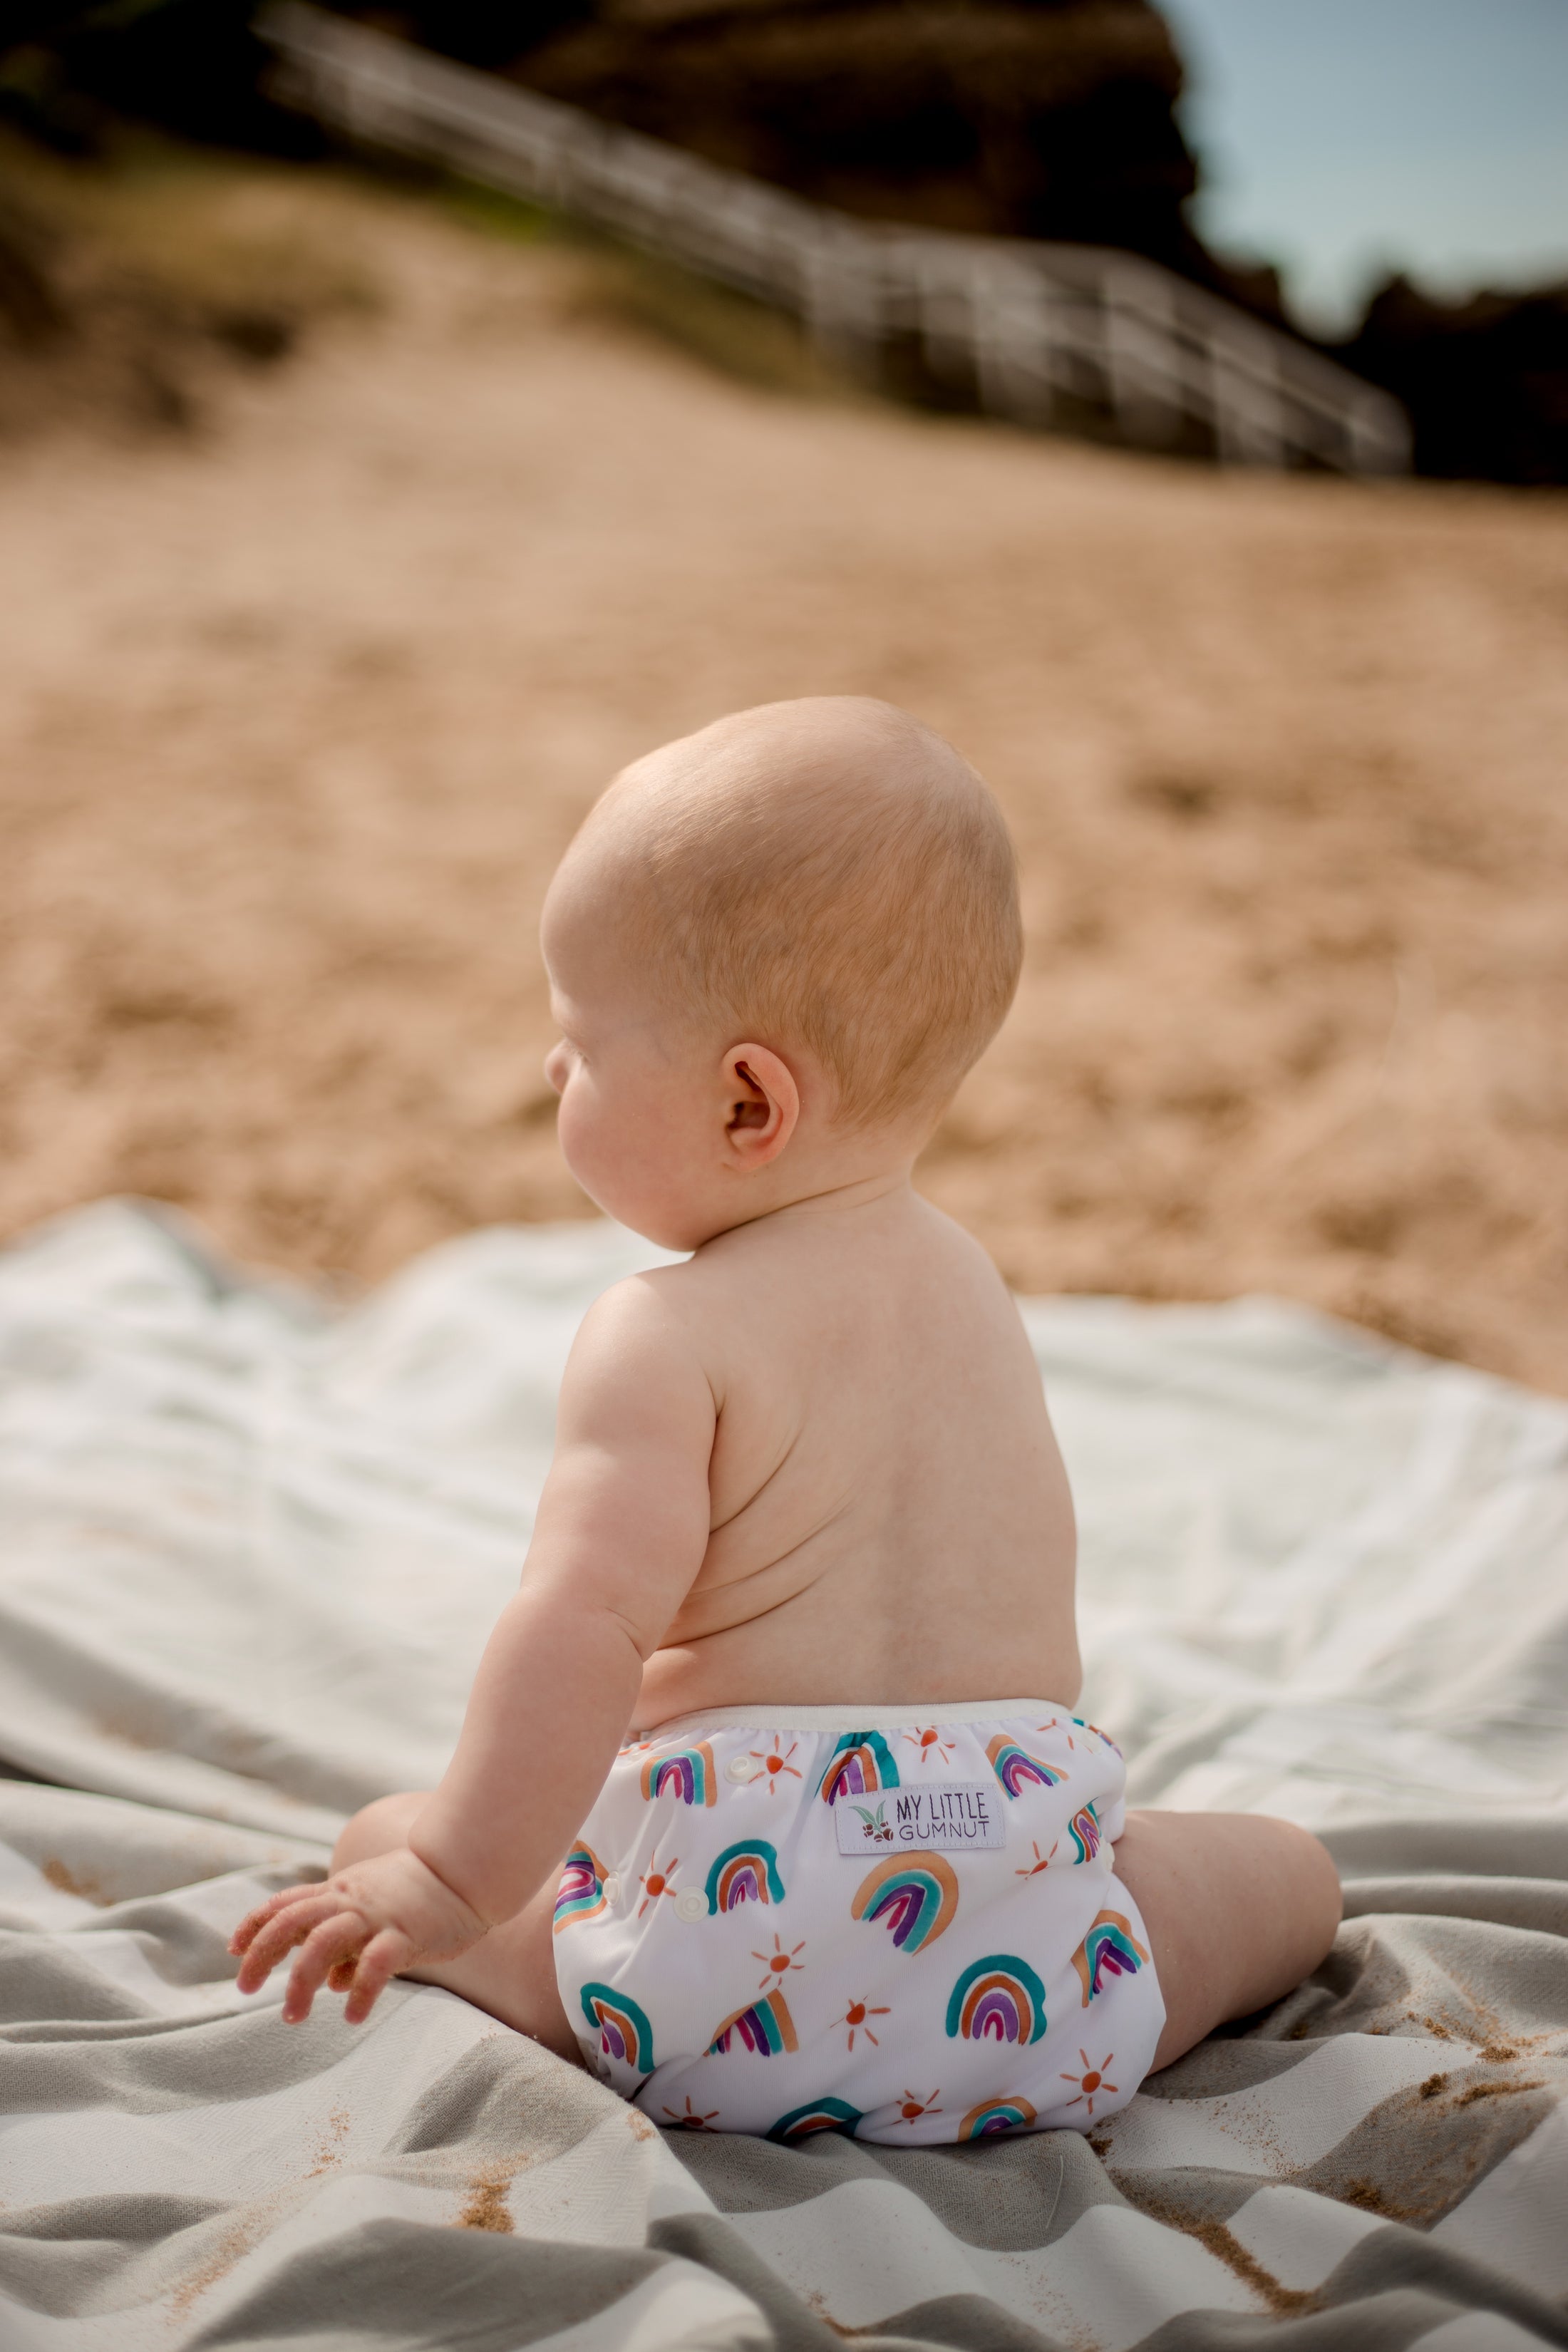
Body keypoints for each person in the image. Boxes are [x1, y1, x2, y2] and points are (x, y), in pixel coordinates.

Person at [230, 696, 1340, 2145]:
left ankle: (517, 1950)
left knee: (378, 1841)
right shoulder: (970, 1291)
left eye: (580, 1038)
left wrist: (446, 1874)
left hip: (711, 1977)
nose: (550, 1071)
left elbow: (581, 1624)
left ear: (748, 1105)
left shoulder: (662, 1333)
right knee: (1289, 1873)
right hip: (1038, 1975)